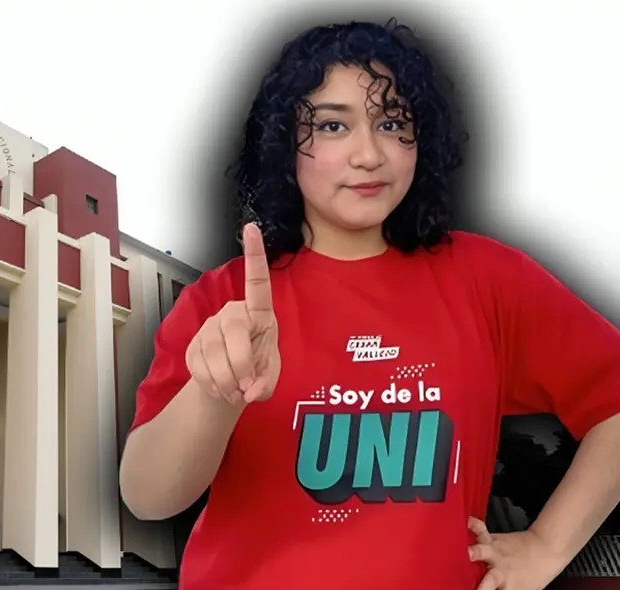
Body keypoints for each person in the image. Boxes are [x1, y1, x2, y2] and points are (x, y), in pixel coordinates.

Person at [118, 18, 620, 590]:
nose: (369, 154)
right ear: (283, 144)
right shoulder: (223, 300)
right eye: (332, 125)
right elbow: (147, 496)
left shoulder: (487, 280)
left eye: (392, 123)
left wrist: (548, 546)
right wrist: (216, 394)